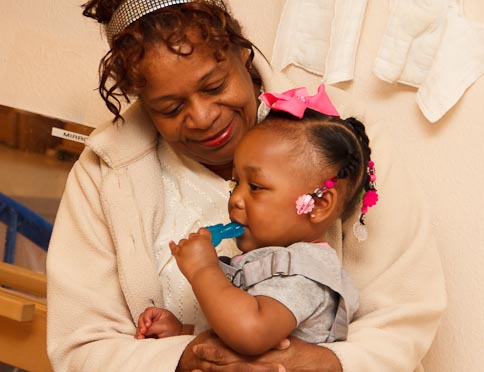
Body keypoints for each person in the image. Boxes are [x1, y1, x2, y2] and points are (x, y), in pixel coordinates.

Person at [46, 1, 446, 372]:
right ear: (143, 102)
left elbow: (403, 311)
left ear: (242, 52)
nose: (203, 118)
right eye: (169, 108)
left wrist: (329, 369)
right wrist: (182, 362)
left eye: (215, 85)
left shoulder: (338, 142)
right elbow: (81, 345)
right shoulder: (105, 169)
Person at [135, 86, 372, 357]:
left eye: (256, 187)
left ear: (318, 204)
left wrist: (203, 270)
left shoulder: (306, 273)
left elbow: (251, 333)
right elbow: (229, 333)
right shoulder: (262, 263)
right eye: (236, 183)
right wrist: (182, 332)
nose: (236, 198)